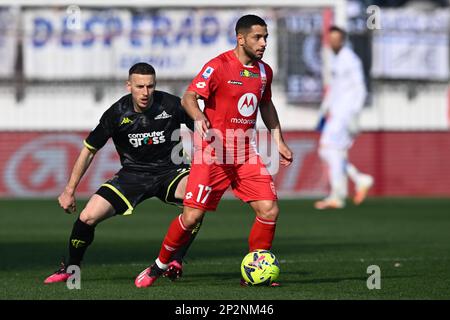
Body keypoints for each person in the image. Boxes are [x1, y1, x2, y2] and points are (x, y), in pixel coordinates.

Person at [134, 14, 293, 288]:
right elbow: (189, 97)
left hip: (245, 154)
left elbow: (265, 105)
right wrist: (198, 116)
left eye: (266, 37)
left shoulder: (264, 72)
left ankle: (256, 272)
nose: (264, 42)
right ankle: (159, 265)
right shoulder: (218, 66)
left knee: (269, 210)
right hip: (213, 153)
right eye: (258, 37)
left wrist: (278, 140)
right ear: (240, 38)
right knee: (192, 216)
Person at [44, 62, 201, 284]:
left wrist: (205, 157)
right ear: (129, 86)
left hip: (171, 171)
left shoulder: (172, 105)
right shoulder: (117, 113)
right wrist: (69, 190)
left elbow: (205, 130)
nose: (145, 92)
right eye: (139, 86)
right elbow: (89, 151)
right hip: (132, 176)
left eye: (150, 86)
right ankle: (71, 269)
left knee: (197, 199)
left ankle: (175, 260)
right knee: (87, 216)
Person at [314, 26, 374, 210]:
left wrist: (355, 113)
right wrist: (324, 108)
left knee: (327, 149)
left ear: (343, 40)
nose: (333, 42)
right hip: (337, 112)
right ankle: (358, 180)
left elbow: (361, 87)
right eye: (330, 38)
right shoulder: (336, 59)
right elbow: (335, 88)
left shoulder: (350, 59)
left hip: (346, 114)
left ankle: (338, 195)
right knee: (333, 152)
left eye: (337, 39)